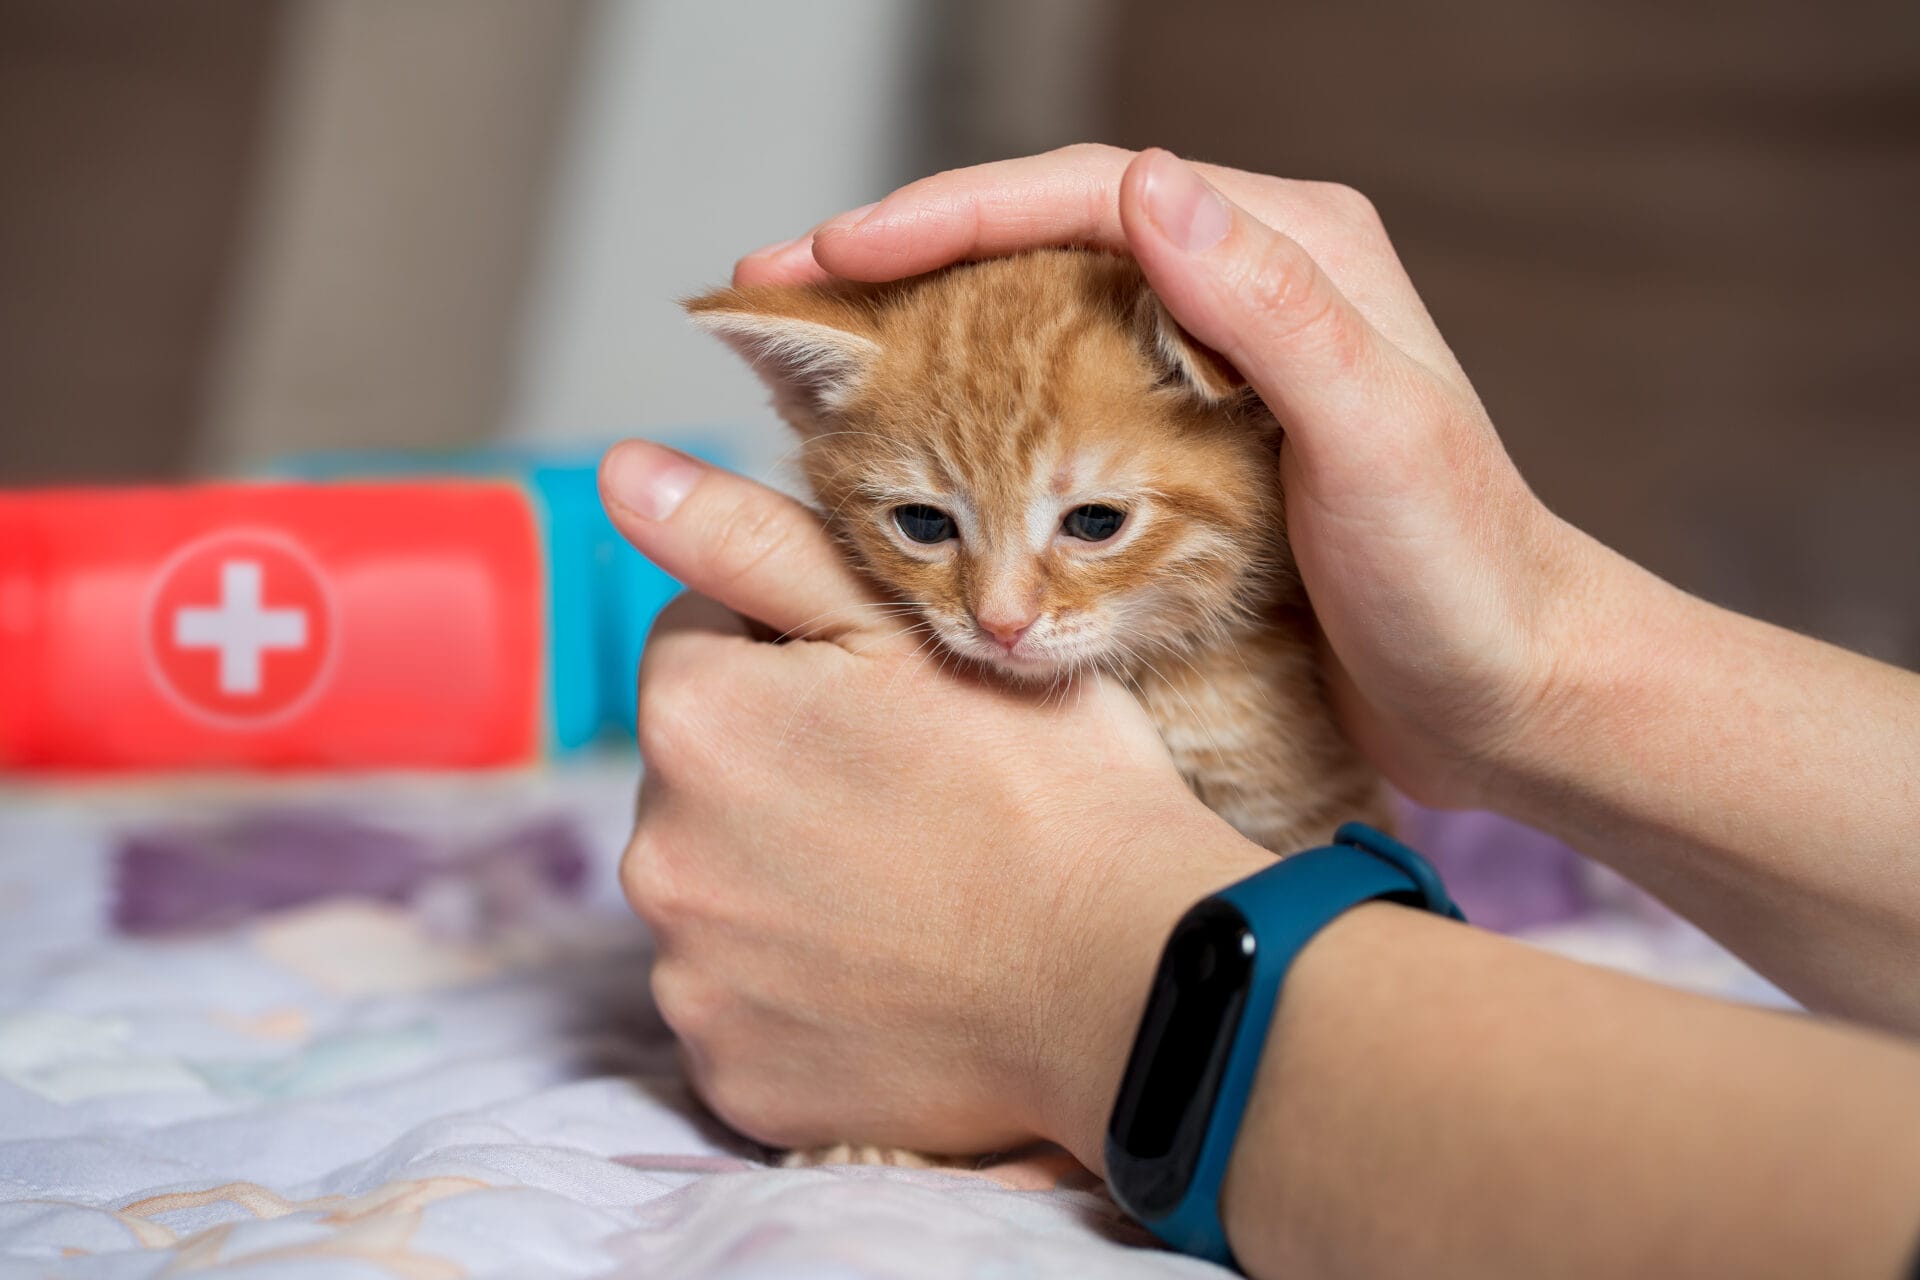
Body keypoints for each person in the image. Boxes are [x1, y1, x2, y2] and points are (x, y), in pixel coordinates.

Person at [597, 146, 1920, 1278]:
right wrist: (1531, 668)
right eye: (928, 526)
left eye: (1097, 523)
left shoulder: (1256, 650)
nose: (1005, 610)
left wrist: (1099, 980)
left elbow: (1312, 845)